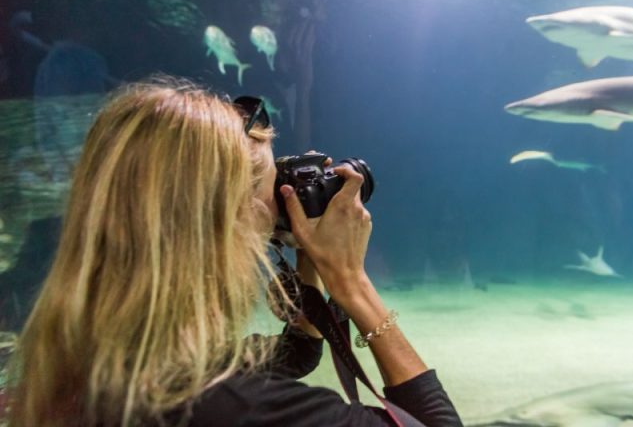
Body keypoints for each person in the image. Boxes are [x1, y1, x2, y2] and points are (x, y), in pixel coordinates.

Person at [5, 75, 462, 427]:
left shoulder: (89, 360)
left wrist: (312, 276)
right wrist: (352, 283)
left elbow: (290, 360)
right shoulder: (244, 409)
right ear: (233, 217)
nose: (284, 200)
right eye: (273, 187)